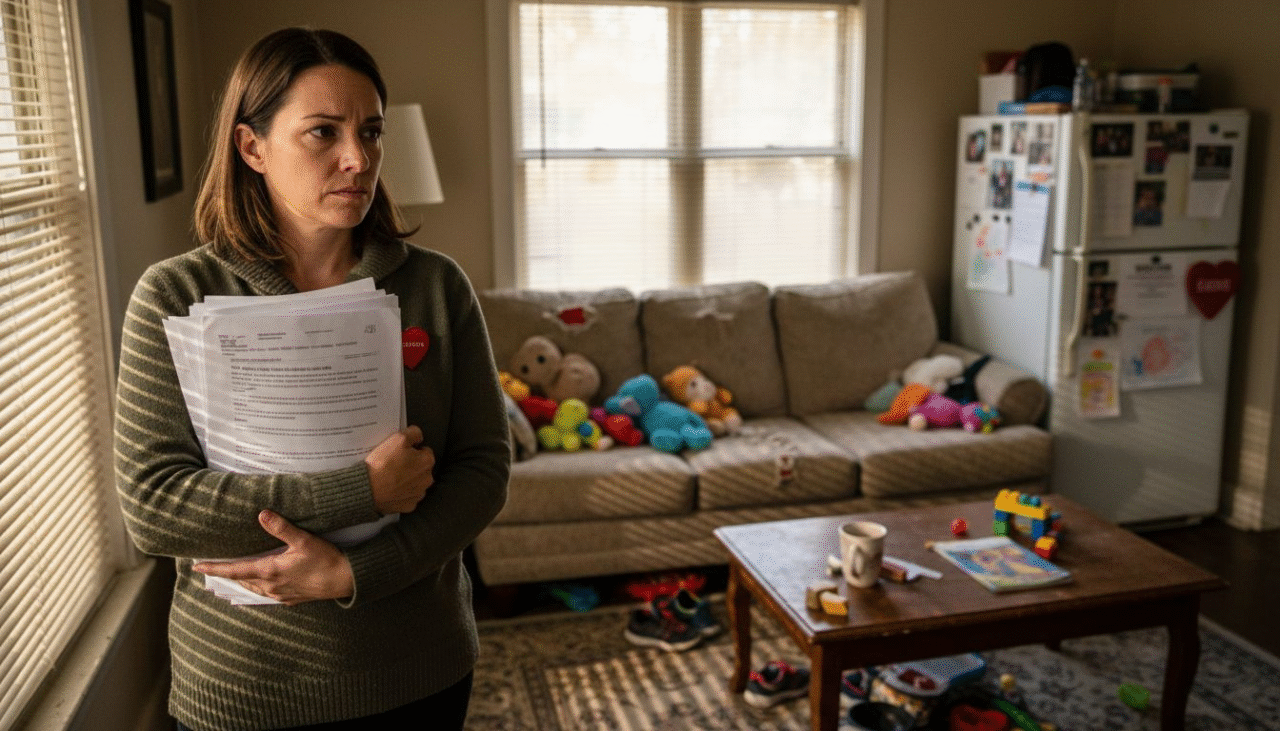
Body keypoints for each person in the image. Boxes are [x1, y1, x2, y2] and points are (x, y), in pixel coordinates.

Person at [113, 27, 510, 731]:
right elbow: (154, 507)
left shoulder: (437, 287)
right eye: (322, 132)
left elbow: (483, 468)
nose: (358, 159)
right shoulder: (175, 294)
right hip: (243, 684)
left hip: (416, 667)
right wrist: (360, 491)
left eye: (371, 131)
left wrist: (359, 571)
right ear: (252, 147)